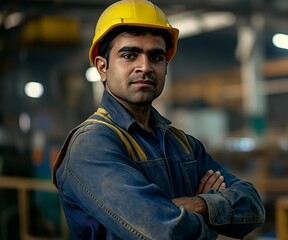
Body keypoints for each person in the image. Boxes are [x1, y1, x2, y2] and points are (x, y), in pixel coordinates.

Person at [51, 0, 266, 239]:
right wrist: (214, 211)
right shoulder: (91, 144)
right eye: (130, 55)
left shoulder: (182, 143)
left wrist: (196, 205)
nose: (144, 67)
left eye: (155, 57)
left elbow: (253, 206)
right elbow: (163, 232)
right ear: (103, 67)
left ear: (165, 65)